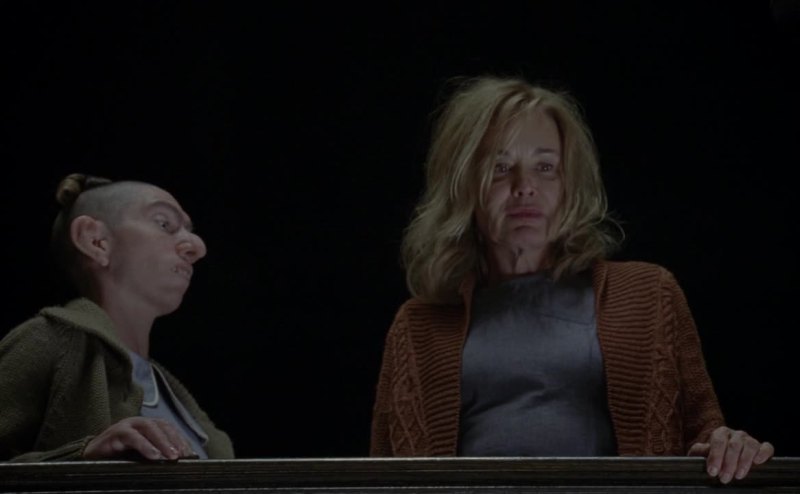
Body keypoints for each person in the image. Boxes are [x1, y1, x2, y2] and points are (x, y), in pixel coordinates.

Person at [369, 76, 773, 484]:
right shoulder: (417, 326)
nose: (525, 187)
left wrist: (728, 445)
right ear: (464, 185)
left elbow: (705, 435)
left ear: (570, 183)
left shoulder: (650, 295)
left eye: (545, 167)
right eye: (500, 168)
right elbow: (379, 480)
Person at [0, 173, 234, 462]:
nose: (197, 246)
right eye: (164, 224)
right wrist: (82, 457)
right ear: (96, 241)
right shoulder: (46, 341)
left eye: (189, 230)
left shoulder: (175, 395)